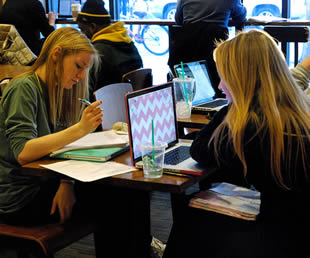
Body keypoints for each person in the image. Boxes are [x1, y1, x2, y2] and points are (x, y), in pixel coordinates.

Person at [0, 27, 151, 258]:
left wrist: (66, 183)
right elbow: (23, 152)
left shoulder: (59, 89)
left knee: (129, 193)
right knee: (117, 199)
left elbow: (63, 149)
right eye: (78, 66)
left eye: (85, 69)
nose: (81, 76)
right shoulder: (24, 88)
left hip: (45, 180)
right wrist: (80, 129)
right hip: (19, 195)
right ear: (56, 54)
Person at [163, 30, 310, 258]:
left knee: (191, 215)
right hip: (297, 228)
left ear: (242, 79)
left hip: (278, 237)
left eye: (224, 77)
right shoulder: (296, 109)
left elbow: (200, 149)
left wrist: (233, 106)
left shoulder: (250, 126)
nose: (220, 86)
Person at [169, 0, 247, 98]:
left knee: (188, 89)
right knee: (216, 82)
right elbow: (241, 16)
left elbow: (178, 20)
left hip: (187, 48)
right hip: (214, 48)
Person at [77, 0, 143, 101]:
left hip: (107, 110)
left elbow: (86, 93)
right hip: (134, 105)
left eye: (82, 29)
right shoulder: (127, 42)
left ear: (93, 27)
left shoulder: (96, 52)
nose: (82, 35)